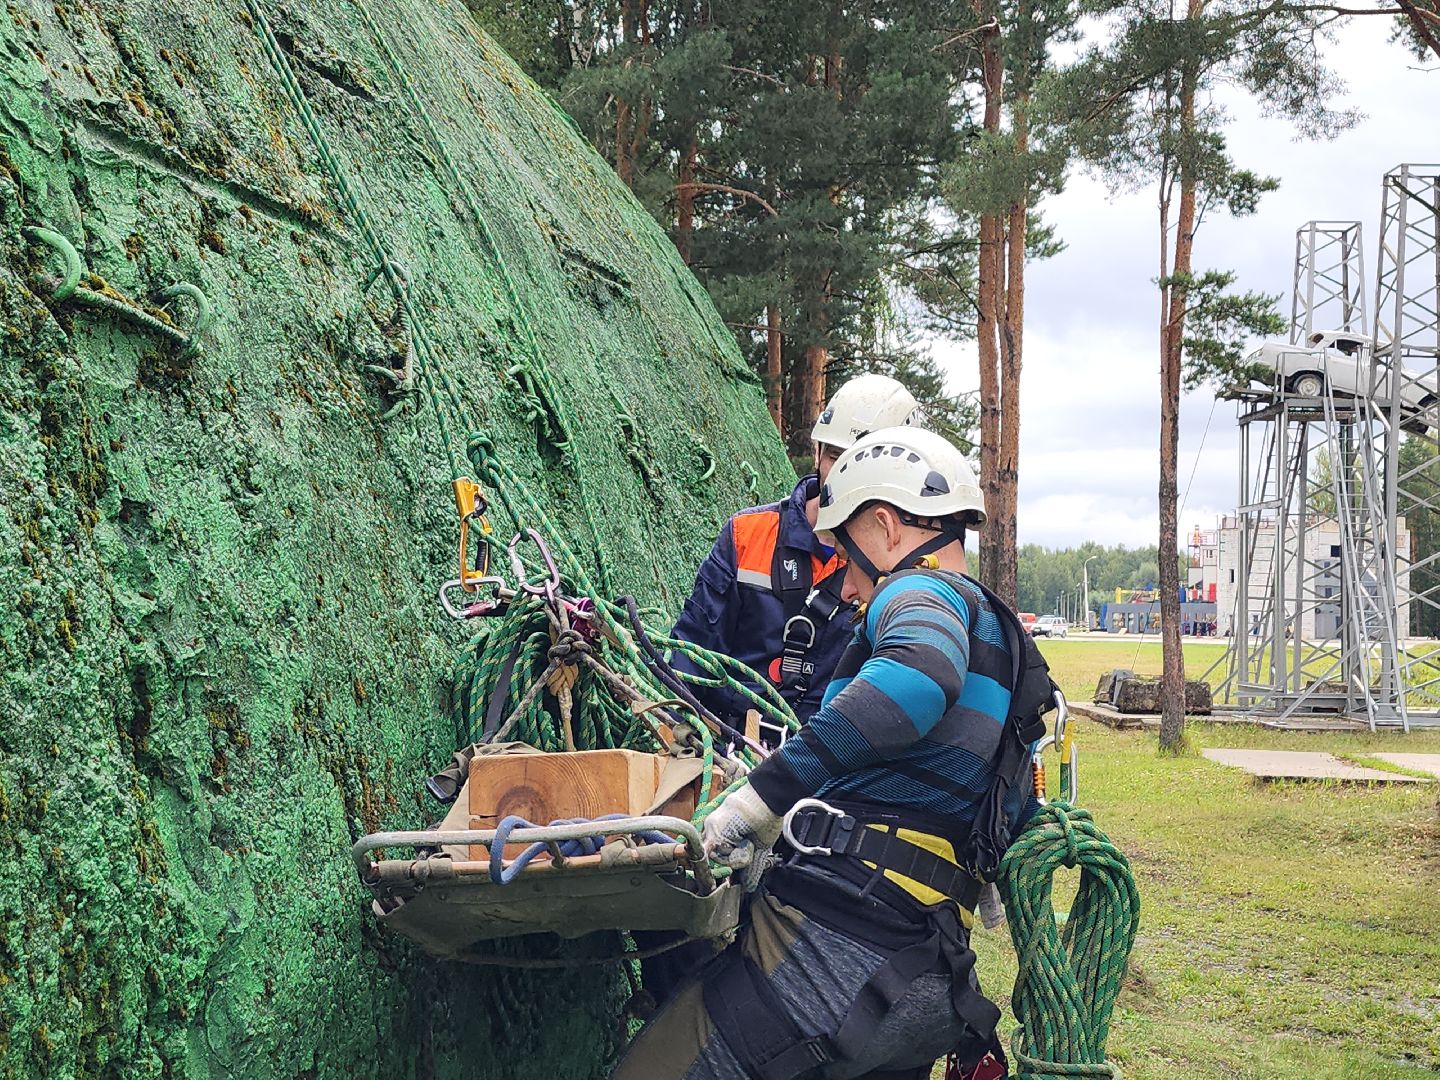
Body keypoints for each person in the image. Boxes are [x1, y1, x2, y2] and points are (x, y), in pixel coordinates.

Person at [616, 427, 1043, 1080]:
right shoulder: (1003, 634)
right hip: (929, 975)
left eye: (844, 554)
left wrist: (762, 801)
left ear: (885, 527)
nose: (844, 587)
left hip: (833, 958)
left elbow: (917, 680)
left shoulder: (916, 593)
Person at [668, 374, 924, 738]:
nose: (844, 476)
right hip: (736, 748)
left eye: (862, 465)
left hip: (832, 762)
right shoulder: (748, 535)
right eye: (836, 456)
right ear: (817, 450)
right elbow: (691, 653)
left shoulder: (903, 568)